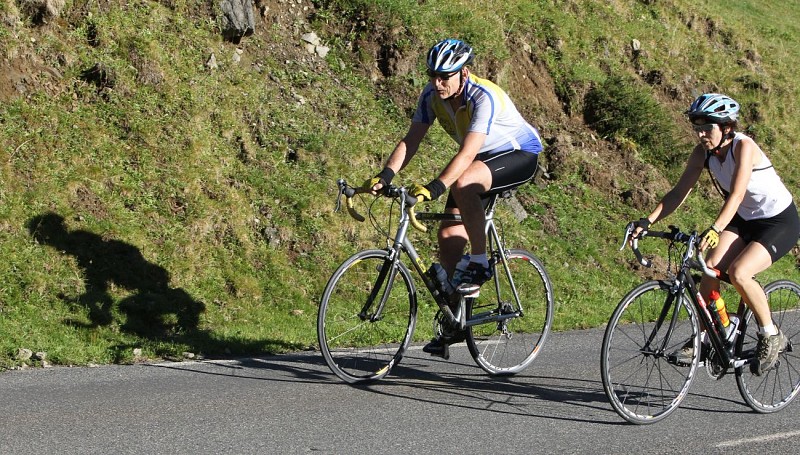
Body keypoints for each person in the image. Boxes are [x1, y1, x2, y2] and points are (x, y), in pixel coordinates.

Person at [365, 38, 543, 356]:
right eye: (433, 74)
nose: (438, 82)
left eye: (445, 76)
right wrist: (386, 175)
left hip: (518, 154)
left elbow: (467, 152)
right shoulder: (431, 96)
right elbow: (412, 139)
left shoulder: (482, 96)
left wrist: (435, 187)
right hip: (479, 164)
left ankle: (479, 262)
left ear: (464, 73)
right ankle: (456, 321)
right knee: (447, 237)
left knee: (462, 184)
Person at [629, 93, 800, 376]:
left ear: (727, 128)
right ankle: (718, 333)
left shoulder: (744, 147)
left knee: (740, 273)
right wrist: (647, 220)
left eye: (708, 128)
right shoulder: (702, 153)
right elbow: (679, 192)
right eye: (697, 127)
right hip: (744, 219)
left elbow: (737, 193)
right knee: (708, 274)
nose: (701, 134)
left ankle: (771, 334)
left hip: (778, 222)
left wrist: (716, 228)